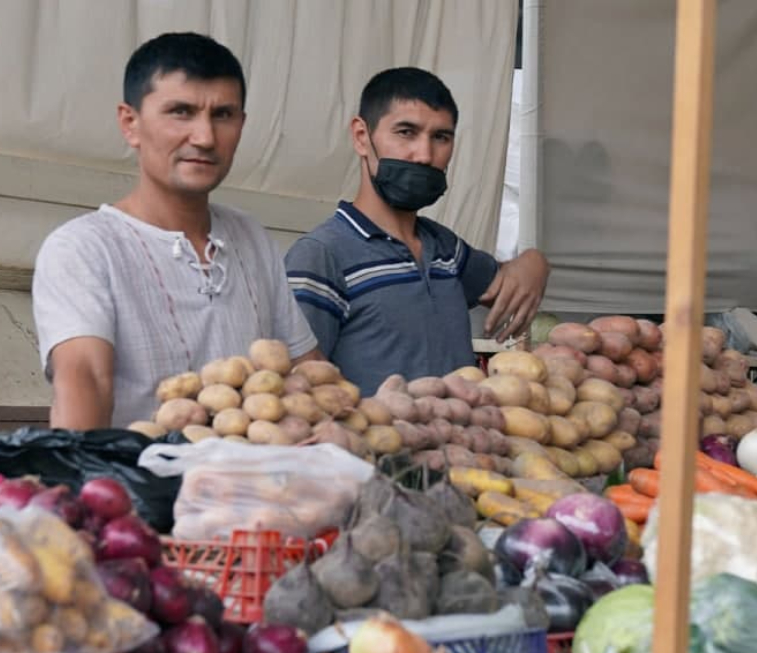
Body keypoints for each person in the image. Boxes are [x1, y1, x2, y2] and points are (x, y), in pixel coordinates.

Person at [33, 33, 320, 430]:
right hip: (138, 487)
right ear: (130, 124)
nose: (204, 137)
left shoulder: (250, 236)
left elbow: (308, 370)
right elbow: (87, 383)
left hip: (253, 487)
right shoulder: (83, 248)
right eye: (180, 112)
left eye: (223, 115)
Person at [284, 67, 549, 396]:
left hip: (465, 442)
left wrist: (534, 262)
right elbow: (301, 386)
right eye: (406, 132)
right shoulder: (321, 255)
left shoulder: (444, 248)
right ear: (361, 137)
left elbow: (504, 281)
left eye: (441, 137)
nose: (424, 155)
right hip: (376, 446)